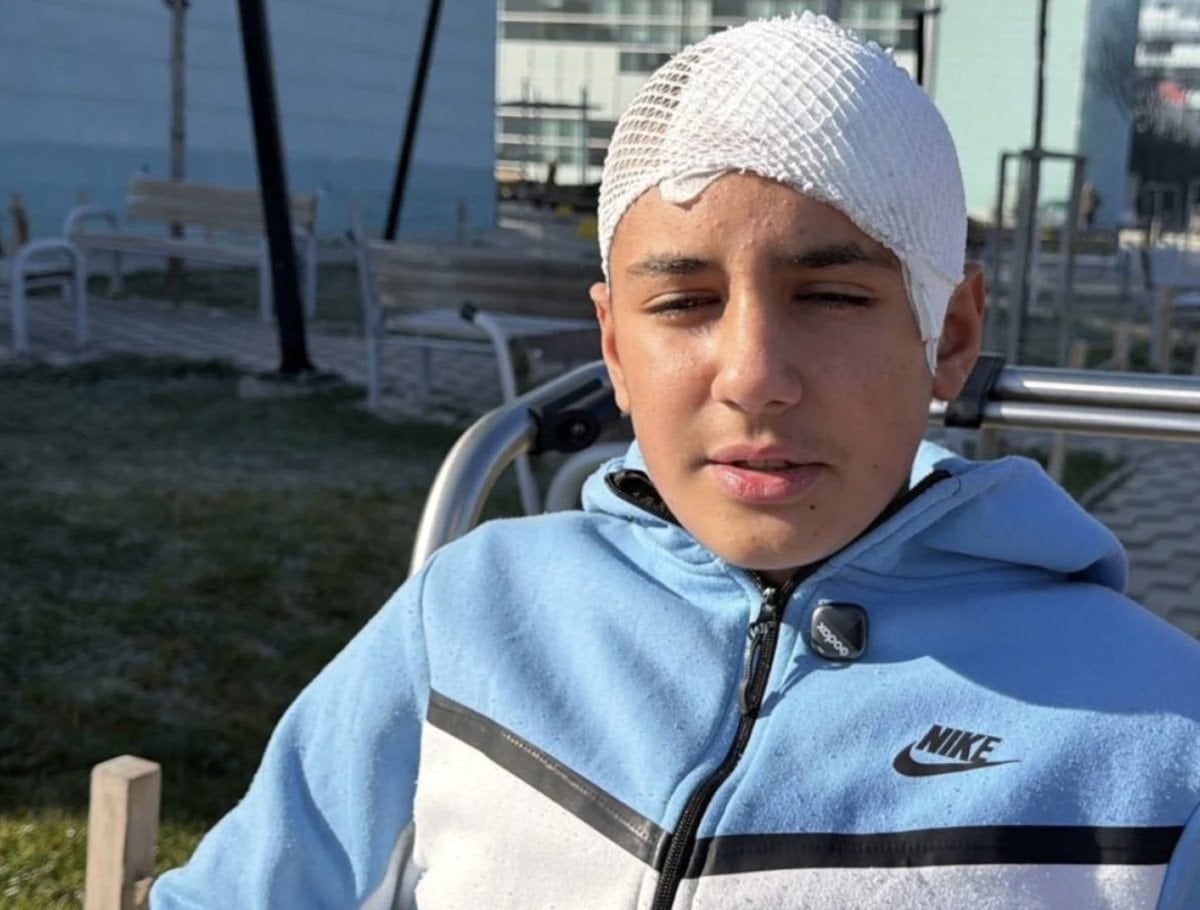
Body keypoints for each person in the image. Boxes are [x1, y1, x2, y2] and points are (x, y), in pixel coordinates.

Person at [152, 15, 1200, 909]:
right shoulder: (469, 617)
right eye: (685, 302)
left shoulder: (1161, 749)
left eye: (833, 296)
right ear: (613, 346)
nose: (753, 376)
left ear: (951, 335)